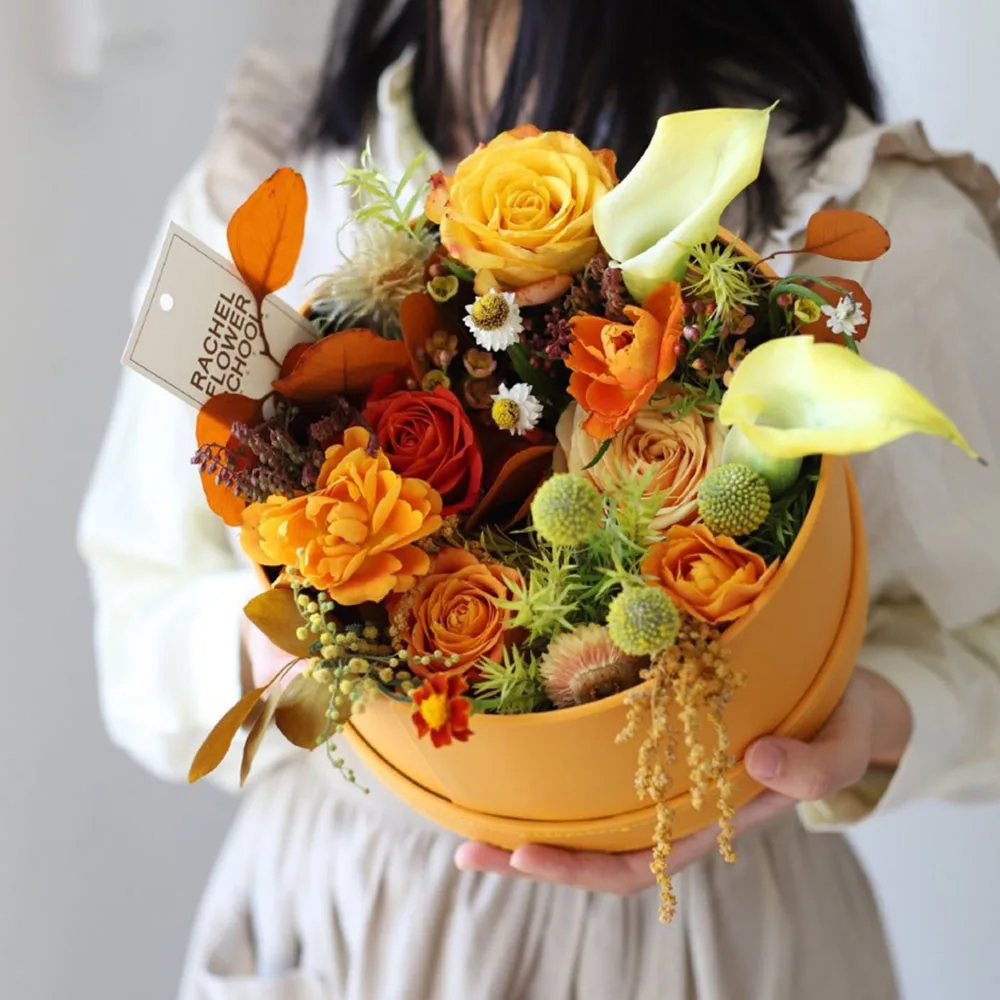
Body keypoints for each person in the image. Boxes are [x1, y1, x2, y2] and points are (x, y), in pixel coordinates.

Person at [79, 1, 1000, 997]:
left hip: (705, 943)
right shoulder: (277, 189)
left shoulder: (867, 233)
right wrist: (287, 642)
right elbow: (137, 621)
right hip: (348, 922)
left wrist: (858, 720)